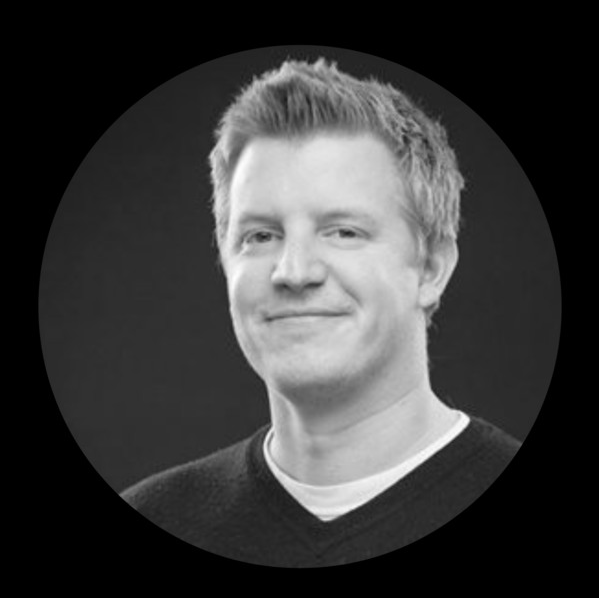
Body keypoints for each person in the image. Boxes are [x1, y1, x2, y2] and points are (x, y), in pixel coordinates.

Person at [120, 57, 521, 566]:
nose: (294, 271)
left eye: (343, 232)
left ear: (430, 268)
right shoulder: (158, 515)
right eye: (261, 235)